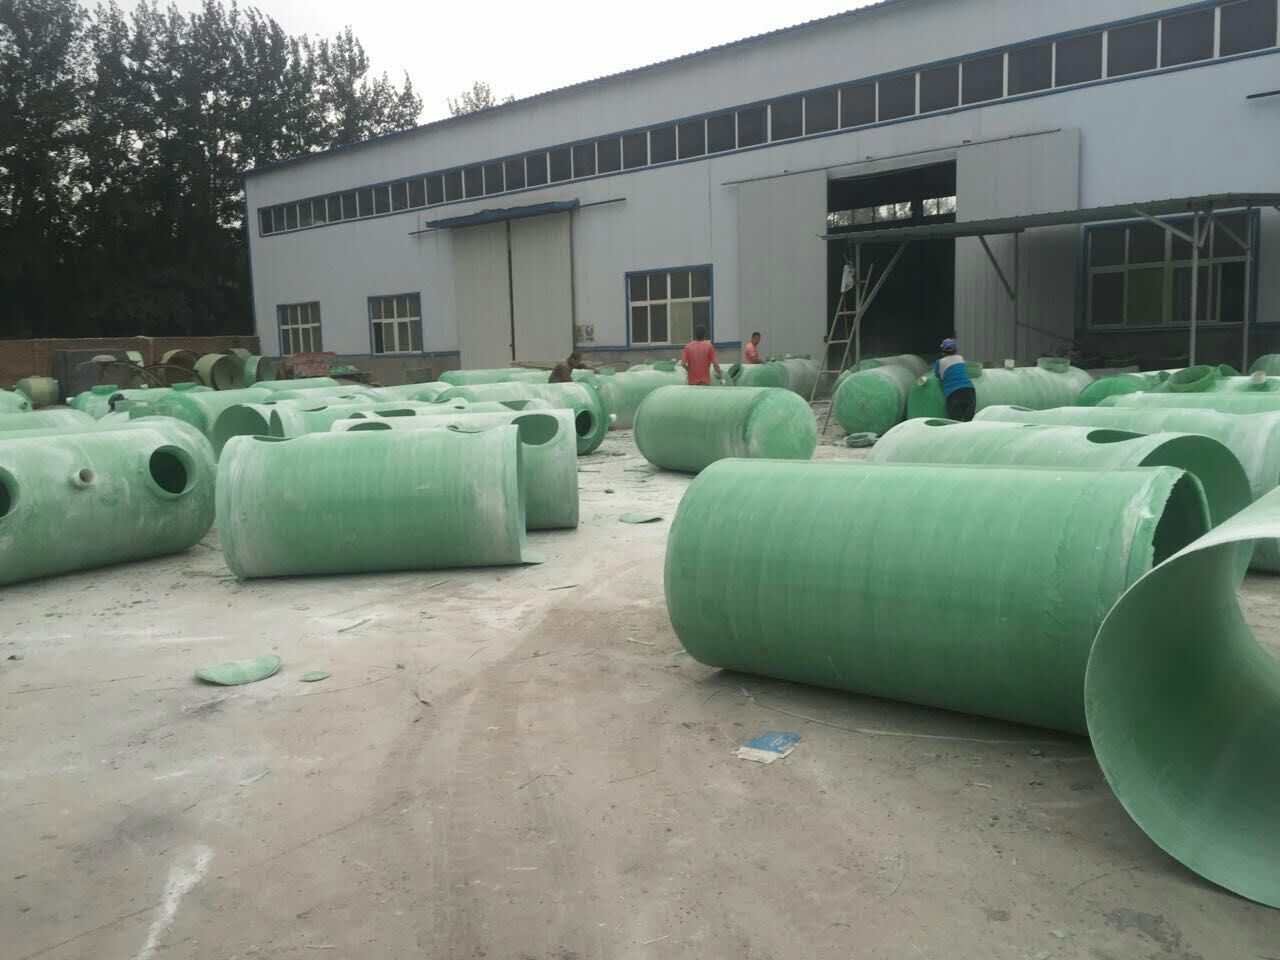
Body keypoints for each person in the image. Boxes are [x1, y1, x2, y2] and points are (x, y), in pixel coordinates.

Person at [934, 338, 976, 421]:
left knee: (955, 421)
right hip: (969, 390)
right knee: (969, 420)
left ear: (943, 350)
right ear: (955, 349)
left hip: (953, 392)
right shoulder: (960, 358)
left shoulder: (940, 362)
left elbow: (937, 375)